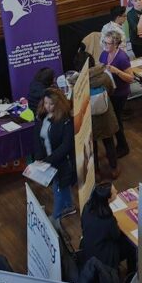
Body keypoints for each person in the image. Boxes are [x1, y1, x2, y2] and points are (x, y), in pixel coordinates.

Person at [33, 88, 79, 222]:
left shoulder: (66, 121)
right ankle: (69, 206)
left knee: (58, 189)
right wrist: (39, 156)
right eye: (45, 103)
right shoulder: (42, 116)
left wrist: (48, 160)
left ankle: (56, 217)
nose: (47, 107)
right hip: (48, 160)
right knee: (61, 187)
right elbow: (37, 137)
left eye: (51, 104)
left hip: (63, 162)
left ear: (58, 104)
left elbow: (66, 146)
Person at [80, 183, 137, 275]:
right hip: (104, 256)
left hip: (88, 246)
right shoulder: (108, 220)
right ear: (108, 199)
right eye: (114, 192)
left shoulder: (87, 207)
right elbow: (116, 235)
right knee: (131, 246)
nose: (117, 192)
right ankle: (131, 273)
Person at [99, 30, 133, 158]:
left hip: (120, 93)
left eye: (108, 43)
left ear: (116, 44)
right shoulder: (104, 54)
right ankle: (120, 145)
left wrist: (117, 71)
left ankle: (123, 146)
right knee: (114, 120)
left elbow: (130, 78)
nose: (106, 45)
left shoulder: (122, 58)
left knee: (117, 120)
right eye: (105, 42)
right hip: (109, 92)